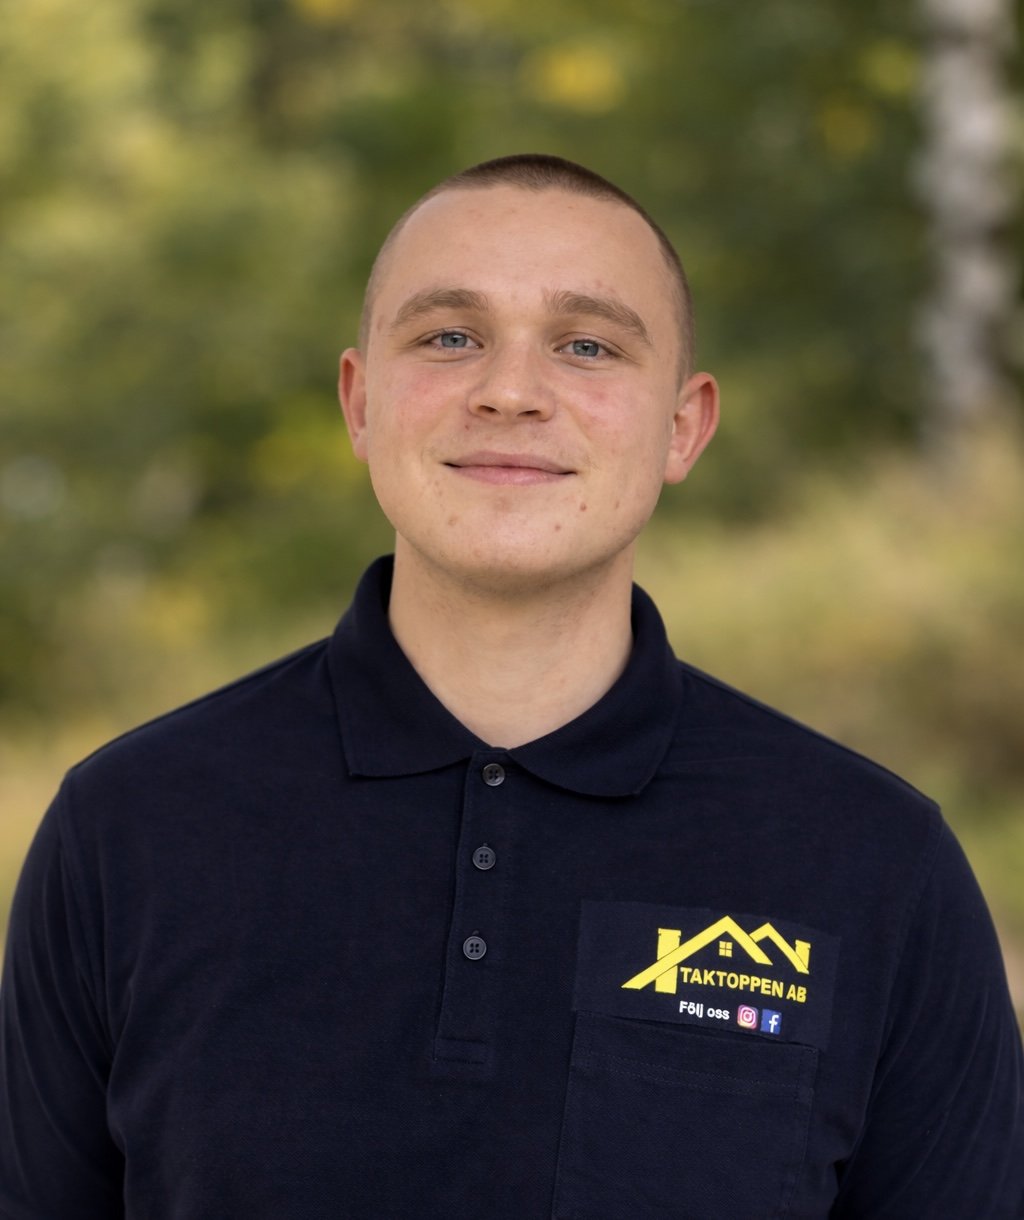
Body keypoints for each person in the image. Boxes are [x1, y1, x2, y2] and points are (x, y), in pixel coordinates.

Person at [1, 153, 1021, 1219]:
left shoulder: (875, 863)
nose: (509, 391)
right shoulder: (129, 827)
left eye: (587, 346)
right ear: (360, 401)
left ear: (683, 426)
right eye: (450, 336)